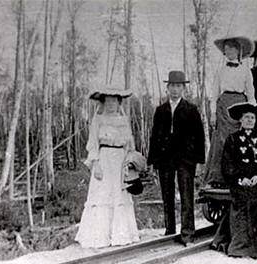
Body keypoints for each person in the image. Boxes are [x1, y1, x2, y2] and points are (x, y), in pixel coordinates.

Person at [75, 86, 139, 248]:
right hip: (104, 160)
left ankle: (120, 236)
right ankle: (99, 237)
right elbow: (93, 144)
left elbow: (130, 144)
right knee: (102, 195)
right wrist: (95, 164)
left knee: (120, 195)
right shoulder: (98, 120)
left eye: (114, 101)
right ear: (103, 103)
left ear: (119, 103)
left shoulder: (124, 121)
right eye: (108, 101)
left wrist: (129, 163)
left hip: (120, 162)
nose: (111, 104)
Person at [148, 71, 205, 245]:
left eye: (178, 86)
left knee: (186, 195)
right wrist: (152, 161)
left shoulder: (191, 109)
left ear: (183, 88)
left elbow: (199, 136)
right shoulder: (161, 110)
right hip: (165, 159)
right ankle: (170, 230)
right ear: (167, 88)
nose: (175, 90)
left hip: (186, 159)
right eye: (172, 86)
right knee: (167, 195)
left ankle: (187, 233)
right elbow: (154, 137)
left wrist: (200, 162)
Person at [211, 102, 257, 258]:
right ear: (240, 120)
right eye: (247, 117)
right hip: (239, 183)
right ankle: (240, 246)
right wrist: (240, 179)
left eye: (252, 117)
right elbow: (227, 164)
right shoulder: (232, 139)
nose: (250, 120)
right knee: (242, 201)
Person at [204, 36, 256, 187]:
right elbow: (214, 93)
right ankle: (218, 178)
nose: (229, 52)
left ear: (238, 51)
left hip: (240, 105)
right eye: (226, 49)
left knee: (240, 140)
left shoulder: (246, 71)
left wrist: (251, 114)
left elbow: (251, 94)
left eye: (232, 49)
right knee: (221, 140)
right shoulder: (221, 70)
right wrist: (213, 113)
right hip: (223, 106)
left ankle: (239, 175)